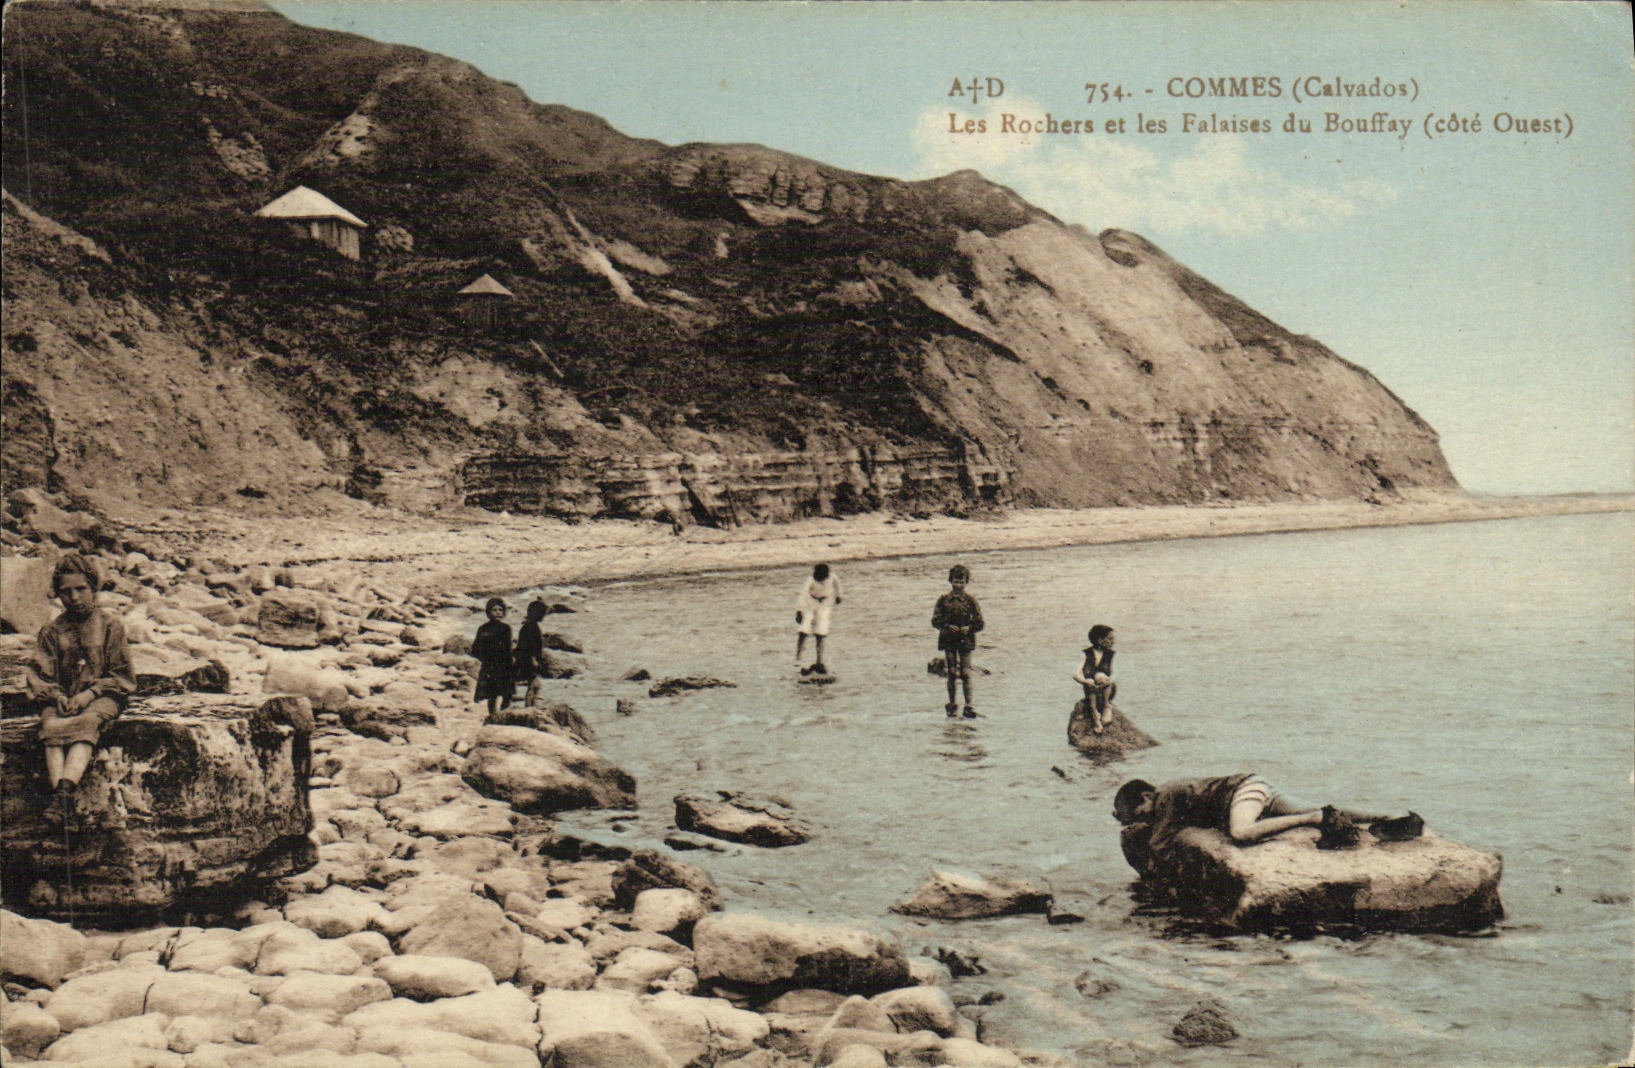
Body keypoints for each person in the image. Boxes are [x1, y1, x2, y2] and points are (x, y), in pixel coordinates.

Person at [1112, 773, 1425, 875]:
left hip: (1243, 792)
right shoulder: (1168, 796)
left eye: (1141, 812)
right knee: (1322, 808)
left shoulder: (1165, 796)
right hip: (1255, 788)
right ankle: (1389, 817)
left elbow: (1160, 843)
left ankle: (1313, 820)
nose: (1146, 819)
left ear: (1148, 794)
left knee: (1241, 833)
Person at [25, 553, 136, 830]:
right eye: (66, 592)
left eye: (80, 589)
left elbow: (122, 675)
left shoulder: (111, 627)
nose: (73, 597)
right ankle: (62, 800)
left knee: (87, 722)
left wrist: (90, 693)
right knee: (51, 725)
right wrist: (57, 696)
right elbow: (40, 674)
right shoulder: (52, 631)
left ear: (93, 588)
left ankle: (62, 797)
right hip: (62, 699)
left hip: (102, 697)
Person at [931, 563, 984, 718]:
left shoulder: (971, 601)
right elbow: (935, 620)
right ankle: (952, 704)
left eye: (962, 582)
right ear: (950, 581)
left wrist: (970, 628)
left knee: (966, 673)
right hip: (949, 639)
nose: (958, 585)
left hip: (966, 640)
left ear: (966, 583)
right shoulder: (943, 600)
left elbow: (980, 622)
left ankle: (969, 705)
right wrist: (947, 626)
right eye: (956, 581)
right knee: (952, 673)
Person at [470, 597, 514, 716]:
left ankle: (504, 715)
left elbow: (507, 648)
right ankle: (493, 716)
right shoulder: (483, 629)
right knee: (492, 694)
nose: (498, 612)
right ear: (488, 612)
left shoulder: (506, 628)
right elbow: (475, 648)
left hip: (504, 664)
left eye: (500, 609)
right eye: (494, 610)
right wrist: (485, 658)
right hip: (490, 665)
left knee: (507, 693)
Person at [794, 563, 842, 675]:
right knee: (804, 630)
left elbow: (838, 586)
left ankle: (819, 660)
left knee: (821, 632)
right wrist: (799, 611)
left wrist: (839, 595)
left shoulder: (832, 577)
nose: (822, 580)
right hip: (810, 602)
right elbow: (802, 594)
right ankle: (799, 655)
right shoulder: (810, 580)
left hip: (825, 603)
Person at [1073, 624, 1117, 734]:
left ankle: (1107, 706)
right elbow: (1076, 674)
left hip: (1107, 687)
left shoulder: (1111, 654)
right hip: (1091, 688)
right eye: (1110, 639)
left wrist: (1108, 681)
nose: (1113, 642)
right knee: (1090, 680)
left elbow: (1116, 673)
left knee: (1100, 676)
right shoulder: (1086, 654)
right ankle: (1094, 715)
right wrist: (1084, 681)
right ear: (1100, 640)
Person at [513, 599, 548, 708]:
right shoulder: (531, 627)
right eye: (542, 613)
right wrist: (534, 660)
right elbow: (529, 646)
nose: (544, 616)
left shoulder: (528, 625)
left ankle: (531, 706)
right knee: (534, 685)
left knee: (534, 685)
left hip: (526, 658)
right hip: (528, 660)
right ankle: (530, 707)